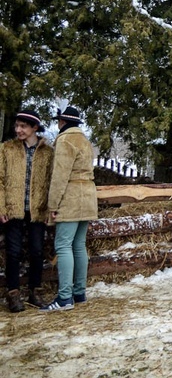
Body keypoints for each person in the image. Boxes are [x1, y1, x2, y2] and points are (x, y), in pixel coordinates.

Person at [41, 106, 98, 311]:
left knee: (63, 245)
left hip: (71, 197)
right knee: (79, 245)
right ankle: (79, 292)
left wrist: (53, 205)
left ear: (62, 122)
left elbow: (59, 176)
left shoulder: (65, 141)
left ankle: (64, 297)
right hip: (88, 196)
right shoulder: (85, 141)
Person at [0, 109, 54, 312]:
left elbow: (51, 182)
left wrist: (50, 207)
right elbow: (0, 180)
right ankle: (13, 294)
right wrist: (1, 206)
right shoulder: (7, 149)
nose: (18, 130)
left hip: (37, 209)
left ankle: (35, 291)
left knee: (37, 251)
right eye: (17, 126)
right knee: (13, 252)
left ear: (35, 128)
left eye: (23, 126)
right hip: (13, 208)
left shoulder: (47, 153)